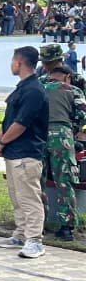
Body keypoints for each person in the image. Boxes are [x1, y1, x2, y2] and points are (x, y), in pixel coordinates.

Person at [0, 46, 50, 259]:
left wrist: (4, 140)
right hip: (14, 153)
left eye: (12, 60)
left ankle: (34, 240)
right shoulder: (21, 89)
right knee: (17, 195)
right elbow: (10, 118)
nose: (11, 64)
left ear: (19, 63)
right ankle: (20, 233)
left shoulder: (34, 90)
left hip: (26, 152)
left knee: (29, 197)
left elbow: (21, 123)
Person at [41, 65, 85, 241]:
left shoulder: (39, 87)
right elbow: (83, 114)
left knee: (38, 181)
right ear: (67, 76)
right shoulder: (72, 90)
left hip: (39, 135)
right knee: (64, 182)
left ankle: (38, 223)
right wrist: (73, 129)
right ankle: (66, 228)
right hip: (62, 135)